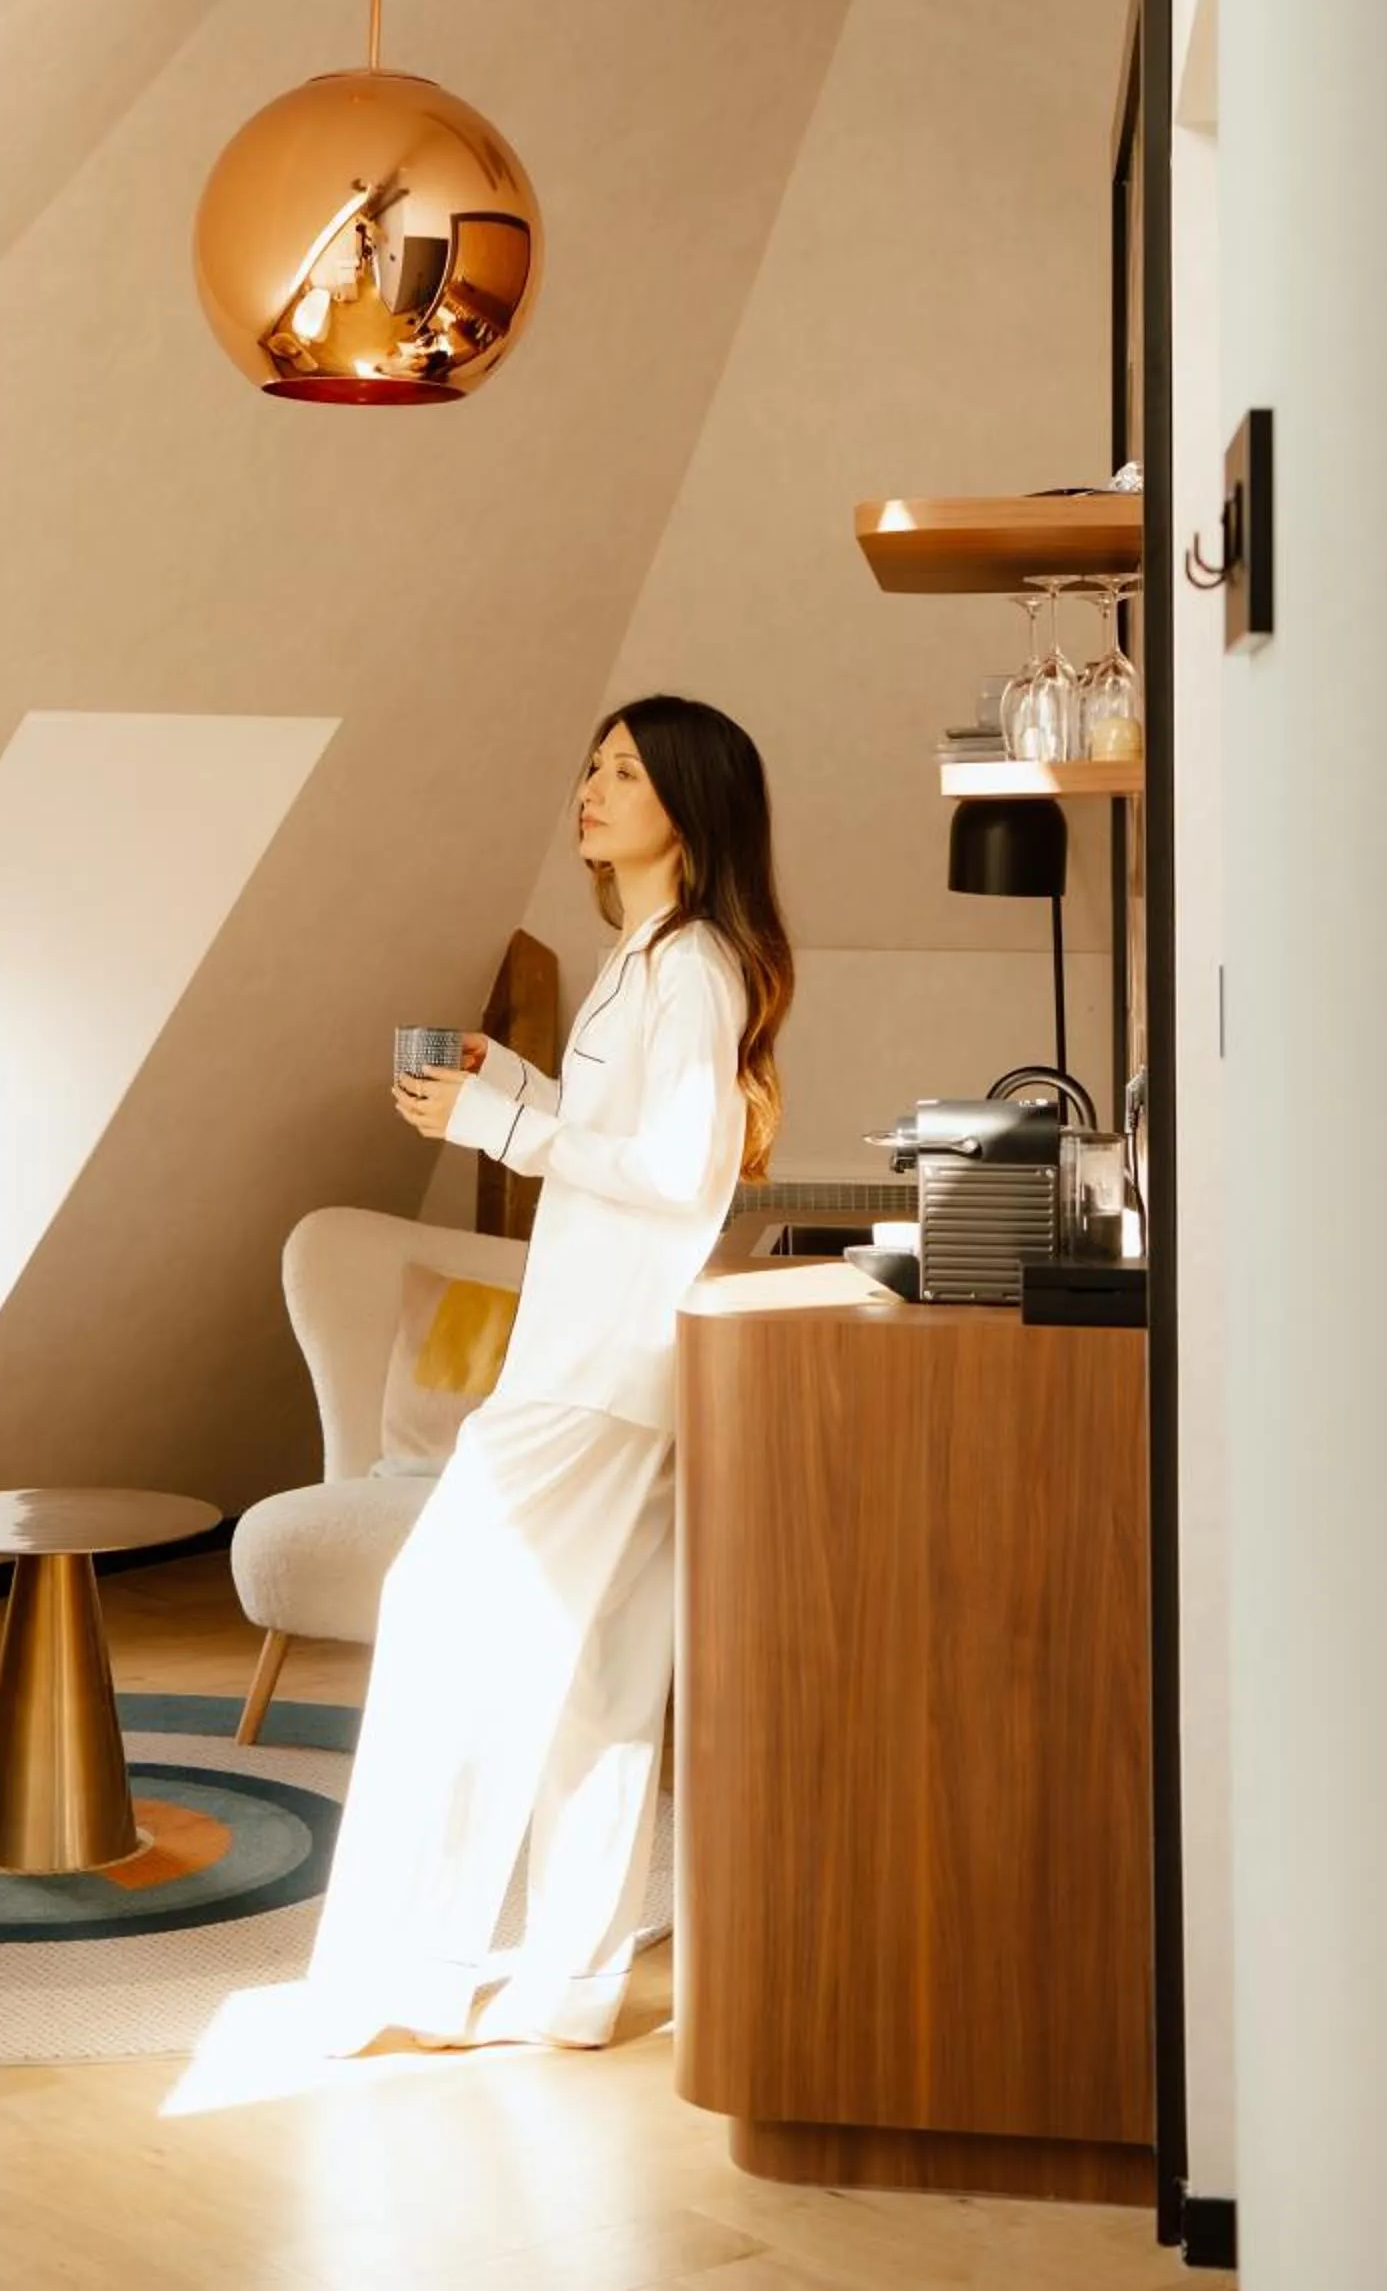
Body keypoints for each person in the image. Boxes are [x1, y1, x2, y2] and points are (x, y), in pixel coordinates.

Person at [306, 694, 794, 2052]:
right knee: (601, 1681)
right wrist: (513, 1087)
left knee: (443, 1625)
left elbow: (677, 1173)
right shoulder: (646, 955)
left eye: (624, 771)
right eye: (591, 765)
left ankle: (407, 1972)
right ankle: (572, 1984)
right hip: (611, 1358)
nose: (591, 787)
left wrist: (498, 1129)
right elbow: (616, 1139)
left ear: (687, 806)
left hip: (590, 1370)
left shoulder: (690, 966)